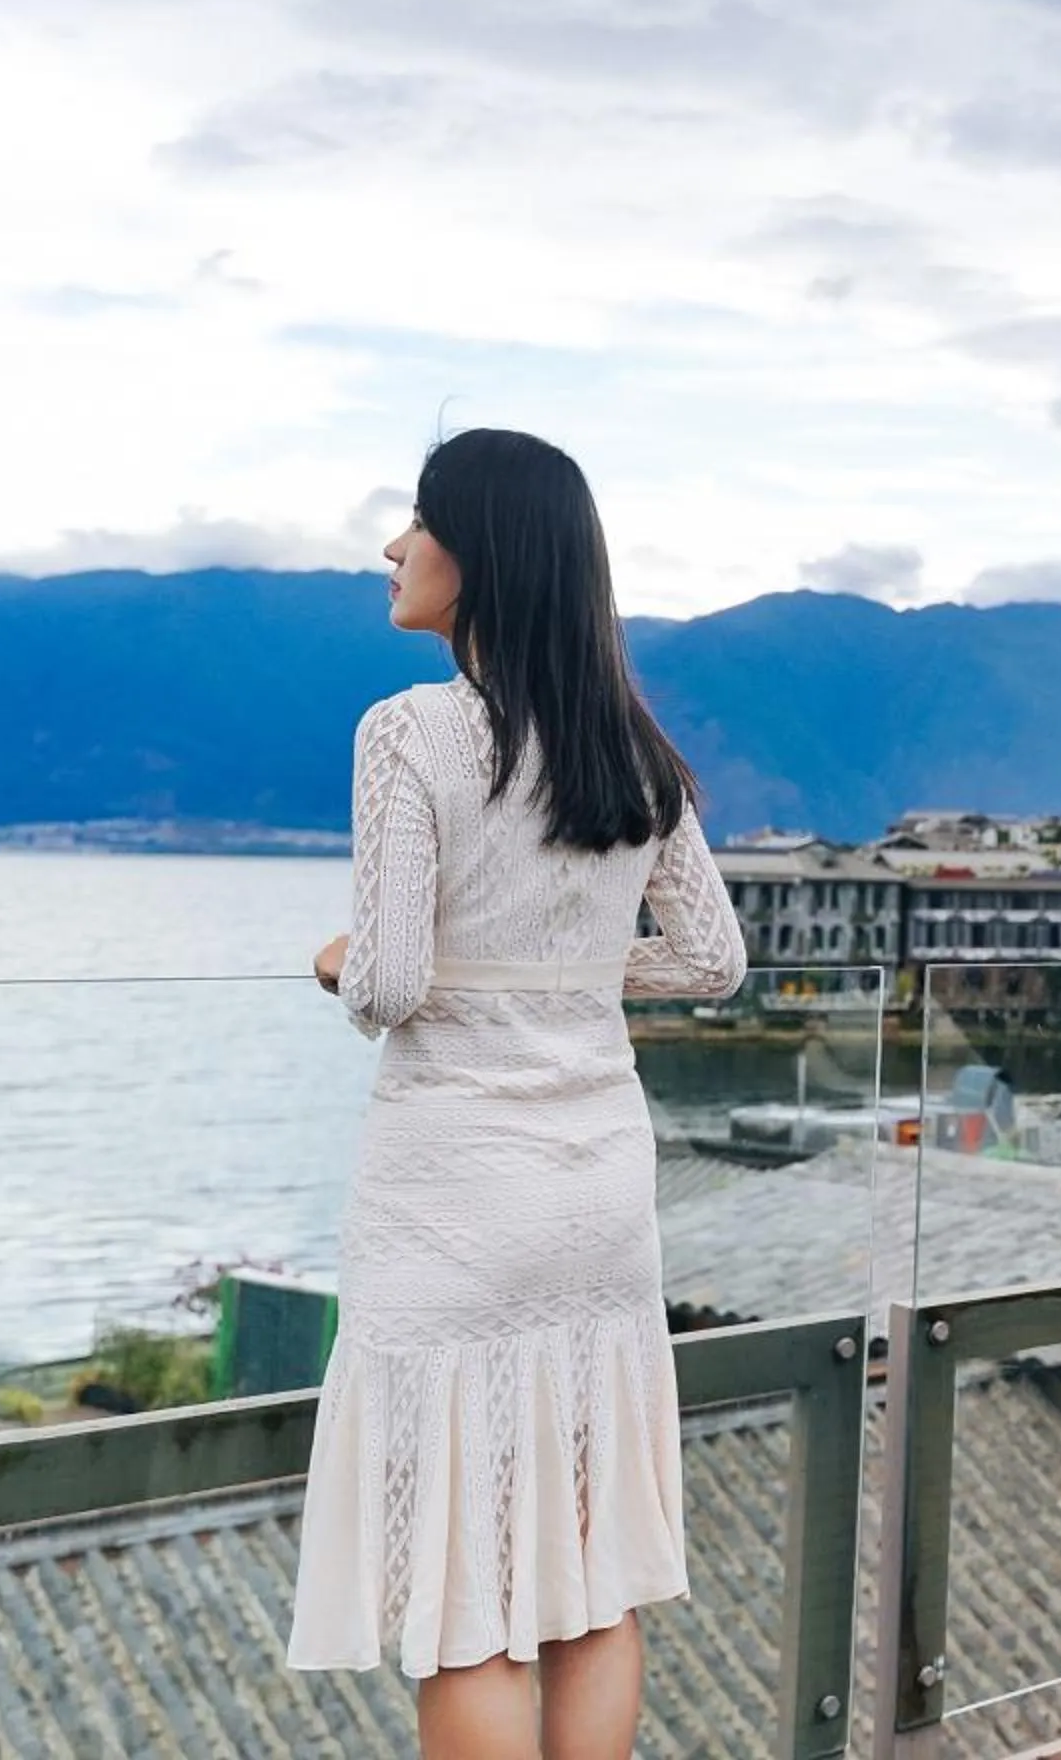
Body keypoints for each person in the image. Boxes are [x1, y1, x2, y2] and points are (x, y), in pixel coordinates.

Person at [287, 429, 746, 1760]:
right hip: (597, 1199)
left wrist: (335, 958)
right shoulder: (633, 748)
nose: (393, 548)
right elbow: (711, 962)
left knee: (464, 1599)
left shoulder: (408, 733)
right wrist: (568, 974)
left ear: (478, 554)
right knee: (590, 1580)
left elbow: (387, 983)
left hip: (455, 1205)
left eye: (416, 522)